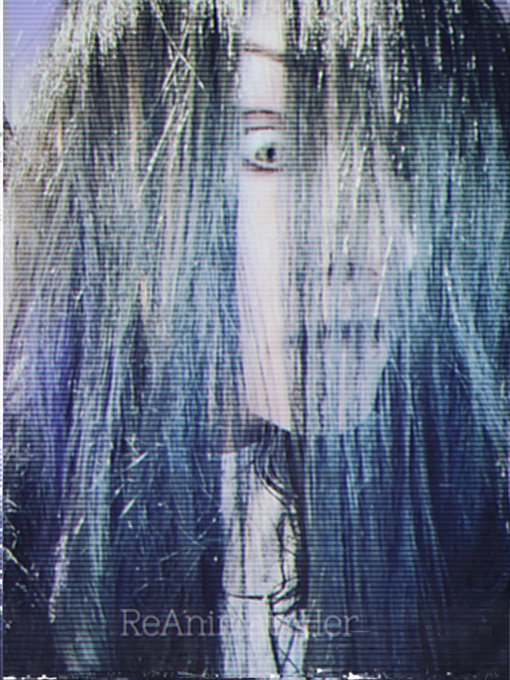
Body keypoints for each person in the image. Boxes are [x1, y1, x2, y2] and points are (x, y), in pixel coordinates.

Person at [4, 0, 510, 676]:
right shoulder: (27, 540)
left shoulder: (469, 520)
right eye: (272, 151)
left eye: (407, 157)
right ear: (111, 172)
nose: (386, 242)